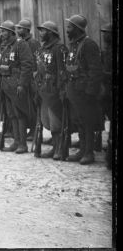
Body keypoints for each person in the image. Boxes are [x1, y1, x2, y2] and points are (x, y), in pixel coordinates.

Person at [65, 15, 103, 165]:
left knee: (87, 122)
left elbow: (95, 71)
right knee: (78, 120)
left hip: (85, 91)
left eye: (69, 27)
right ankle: (82, 149)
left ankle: (89, 152)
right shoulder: (74, 44)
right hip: (75, 89)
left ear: (77, 29)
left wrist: (90, 92)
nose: (67, 30)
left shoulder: (89, 44)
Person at [0, 20, 33, 154]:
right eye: (1, 31)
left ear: (11, 33)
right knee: (11, 114)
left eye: (4, 31)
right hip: (6, 85)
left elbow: (27, 65)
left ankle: (23, 144)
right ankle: (16, 141)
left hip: (17, 85)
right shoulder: (6, 47)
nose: (1, 34)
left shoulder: (21, 44)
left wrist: (22, 84)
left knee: (20, 114)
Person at [35, 21, 67, 160]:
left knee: (56, 121)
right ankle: (54, 147)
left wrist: (62, 90)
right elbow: (38, 71)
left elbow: (62, 71)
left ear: (51, 33)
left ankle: (60, 148)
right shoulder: (42, 49)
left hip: (54, 90)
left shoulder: (59, 48)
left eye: (43, 31)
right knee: (47, 119)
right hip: (43, 89)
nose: (40, 33)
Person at [100, 24, 113, 169]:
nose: (104, 36)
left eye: (107, 33)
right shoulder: (104, 52)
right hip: (105, 91)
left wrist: (103, 75)